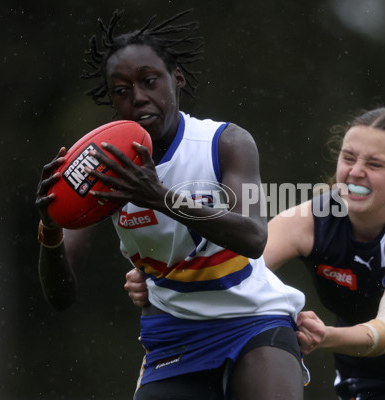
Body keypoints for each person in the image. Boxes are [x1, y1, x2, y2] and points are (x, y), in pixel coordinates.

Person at [126, 106, 385, 399]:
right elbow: (232, 271)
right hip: (370, 374)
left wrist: (325, 336)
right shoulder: (312, 219)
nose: (355, 172)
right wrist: (164, 281)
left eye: (375, 164)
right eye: (348, 158)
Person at [35, 9, 306, 400]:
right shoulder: (102, 169)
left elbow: (253, 237)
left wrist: (158, 197)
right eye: (122, 90)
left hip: (254, 319)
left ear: (175, 78)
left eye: (149, 81)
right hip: (173, 332)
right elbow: (61, 297)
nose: (139, 98)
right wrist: (50, 226)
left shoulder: (225, 143)